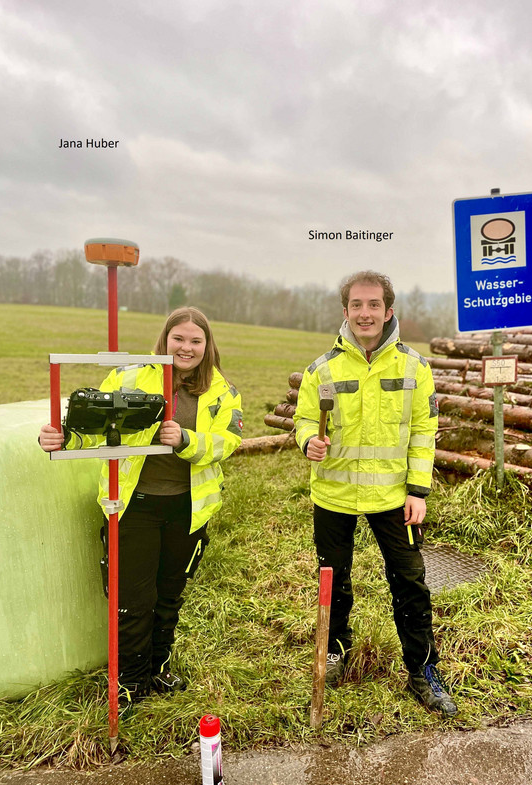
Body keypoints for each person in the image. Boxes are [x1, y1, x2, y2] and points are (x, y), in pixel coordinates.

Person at [39, 307, 243, 704]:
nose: (186, 347)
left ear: (207, 345)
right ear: (165, 339)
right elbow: (96, 431)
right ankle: (130, 683)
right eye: (178, 338)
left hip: (187, 509)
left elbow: (227, 443)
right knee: (134, 600)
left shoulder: (222, 390)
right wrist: (65, 439)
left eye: (195, 341)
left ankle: (158, 669)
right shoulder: (128, 377)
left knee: (169, 595)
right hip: (134, 507)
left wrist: (186, 439)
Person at [293, 271, 457, 716]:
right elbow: (304, 420)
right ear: (345, 311)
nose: (365, 313)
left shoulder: (414, 368)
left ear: (388, 311)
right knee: (334, 580)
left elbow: (425, 431)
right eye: (356, 305)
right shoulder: (321, 369)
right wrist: (308, 440)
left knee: (409, 583)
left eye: (374, 305)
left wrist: (418, 490)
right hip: (334, 496)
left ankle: (422, 670)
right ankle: (334, 651)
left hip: (393, 498)